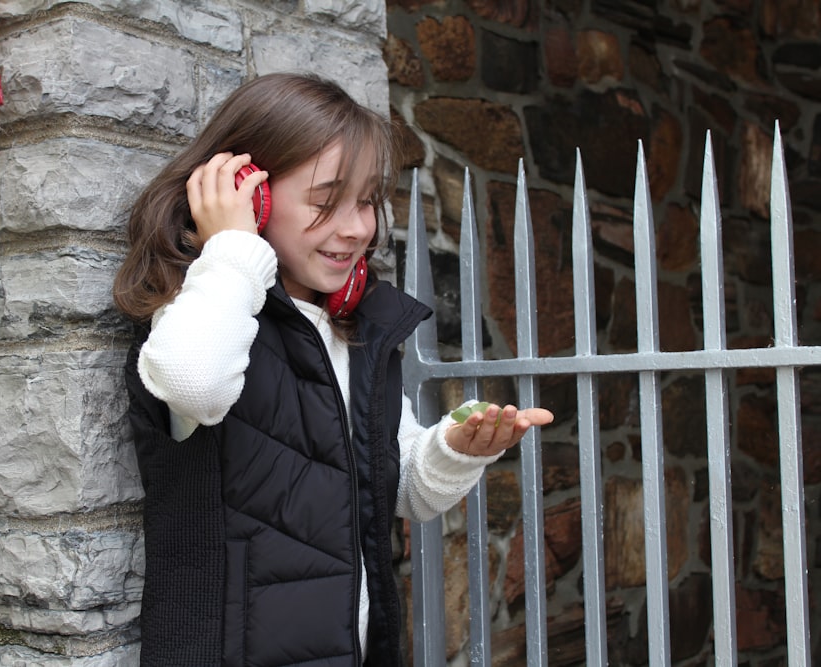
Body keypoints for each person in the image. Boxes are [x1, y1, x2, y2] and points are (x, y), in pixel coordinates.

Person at [113, 72, 553, 667]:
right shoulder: (205, 309)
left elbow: (398, 490)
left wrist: (455, 448)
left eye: (368, 200)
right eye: (325, 202)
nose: (357, 228)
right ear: (253, 197)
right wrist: (233, 248)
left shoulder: (355, 328)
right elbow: (195, 384)